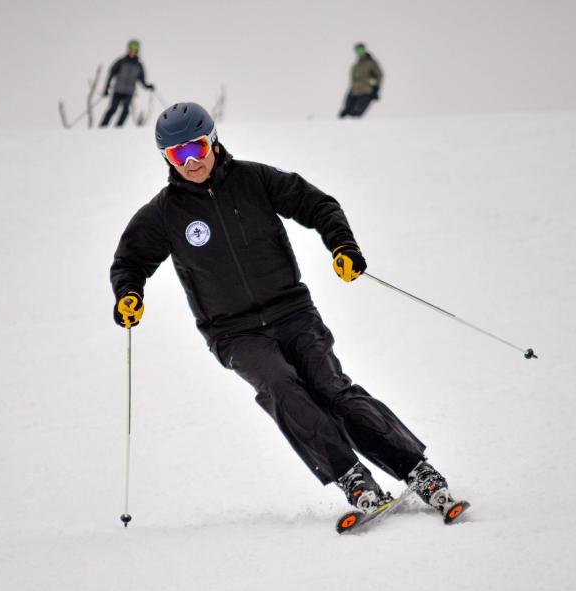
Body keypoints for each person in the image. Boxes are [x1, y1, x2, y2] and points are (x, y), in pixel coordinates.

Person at [110, 102, 468, 523]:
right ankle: (352, 478)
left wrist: (343, 247)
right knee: (282, 386)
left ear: (213, 140)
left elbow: (320, 206)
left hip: (292, 311)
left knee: (331, 388)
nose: (191, 162)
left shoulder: (256, 180)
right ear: (167, 159)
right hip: (233, 332)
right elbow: (129, 262)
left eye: (197, 148)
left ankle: (417, 470)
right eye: (177, 155)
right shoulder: (164, 214)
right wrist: (127, 295)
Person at [100, 39, 155, 128]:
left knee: (126, 110)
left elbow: (142, 80)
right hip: (118, 90)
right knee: (113, 108)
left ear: (137, 50)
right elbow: (111, 74)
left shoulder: (138, 65)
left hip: (129, 92)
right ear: (128, 49)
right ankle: (102, 127)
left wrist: (148, 86)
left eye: (135, 48)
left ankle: (118, 128)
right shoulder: (121, 62)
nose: (133, 50)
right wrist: (106, 89)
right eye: (131, 48)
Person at [339, 42, 383, 118]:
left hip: (366, 92)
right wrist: (350, 92)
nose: (360, 52)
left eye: (361, 50)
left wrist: (376, 89)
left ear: (365, 50)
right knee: (346, 114)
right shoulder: (355, 65)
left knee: (356, 114)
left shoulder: (371, 63)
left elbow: (379, 75)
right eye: (358, 50)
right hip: (354, 92)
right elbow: (353, 81)